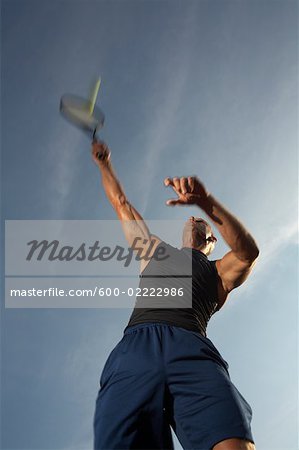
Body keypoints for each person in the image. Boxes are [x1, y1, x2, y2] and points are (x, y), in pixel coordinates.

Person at [92, 140, 259, 450]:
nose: (194, 220)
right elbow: (121, 203)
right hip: (137, 348)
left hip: (191, 349)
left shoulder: (219, 271)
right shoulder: (153, 251)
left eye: (203, 222)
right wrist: (104, 164)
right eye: (194, 217)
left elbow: (248, 252)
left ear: (211, 240)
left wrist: (207, 203)